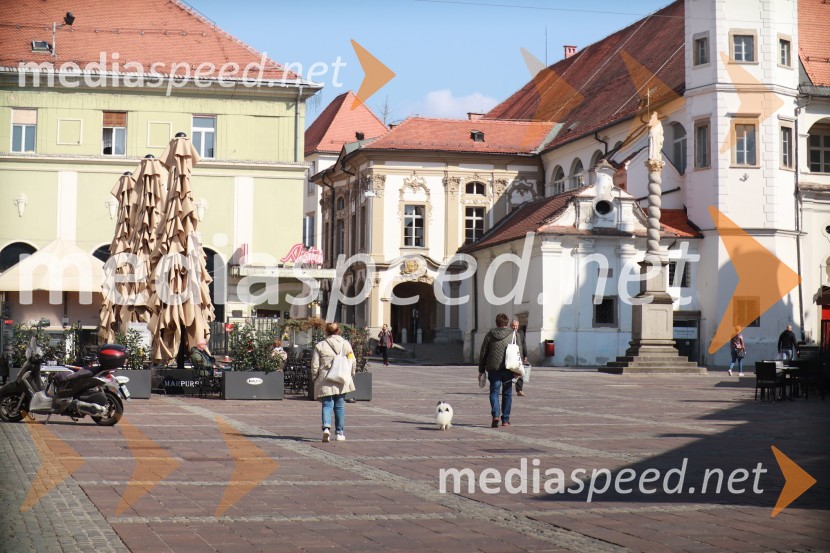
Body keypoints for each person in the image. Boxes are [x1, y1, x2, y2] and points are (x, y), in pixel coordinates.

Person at [311, 322, 356, 442]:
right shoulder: (346, 344)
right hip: (341, 377)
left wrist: (315, 377)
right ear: (338, 331)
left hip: (326, 378)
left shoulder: (320, 345)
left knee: (327, 404)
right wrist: (351, 373)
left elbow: (315, 365)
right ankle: (340, 433)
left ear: (326, 331)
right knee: (340, 406)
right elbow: (352, 360)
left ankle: (326, 428)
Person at [478, 313, 514, 428]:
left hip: (493, 368)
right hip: (508, 368)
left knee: (494, 392)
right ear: (507, 323)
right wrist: (519, 370)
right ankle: (505, 420)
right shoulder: (513, 334)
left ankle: (495, 415)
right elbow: (519, 352)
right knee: (507, 394)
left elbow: (483, 353)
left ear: (497, 323)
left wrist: (481, 370)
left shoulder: (490, 334)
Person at [510, 320, 529, 397]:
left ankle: (519, 390)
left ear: (518, 326)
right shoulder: (508, 333)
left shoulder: (520, 333)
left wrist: (525, 355)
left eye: (516, 326)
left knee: (520, 372)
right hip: (510, 356)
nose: (514, 327)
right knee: (508, 373)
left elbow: (524, 344)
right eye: (513, 325)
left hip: (518, 356)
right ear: (510, 326)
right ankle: (507, 389)